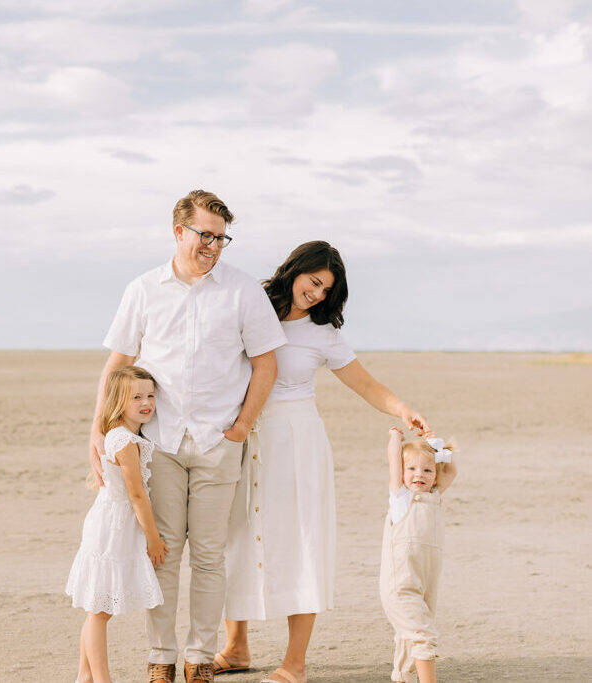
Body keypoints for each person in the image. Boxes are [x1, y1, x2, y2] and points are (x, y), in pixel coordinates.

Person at [88, 190, 286, 683]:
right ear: (179, 232)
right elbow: (116, 364)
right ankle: (161, 658)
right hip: (160, 445)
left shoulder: (242, 290)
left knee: (210, 555)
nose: (213, 246)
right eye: (205, 235)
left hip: (219, 443)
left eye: (222, 238)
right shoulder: (143, 289)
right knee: (164, 552)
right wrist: (96, 430)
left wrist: (241, 428)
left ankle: (200, 659)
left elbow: (266, 363)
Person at [216, 241, 431, 683]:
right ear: (295, 270)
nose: (316, 294)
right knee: (235, 536)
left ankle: (295, 664)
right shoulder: (254, 306)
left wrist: (401, 408)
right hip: (241, 435)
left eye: (325, 290)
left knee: (301, 541)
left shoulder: (323, 333)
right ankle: (235, 647)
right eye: (313, 282)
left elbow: (366, 385)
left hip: (296, 441)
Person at [67, 366, 168, 683]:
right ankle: (101, 679)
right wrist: (153, 537)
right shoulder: (124, 440)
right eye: (136, 397)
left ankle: (84, 675)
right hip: (114, 527)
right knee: (100, 611)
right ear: (117, 401)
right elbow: (137, 494)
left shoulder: (120, 435)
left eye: (150, 395)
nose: (146, 402)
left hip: (111, 520)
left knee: (97, 608)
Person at [380, 428, 458, 683]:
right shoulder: (401, 498)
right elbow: (394, 459)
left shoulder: (434, 497)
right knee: (423, 635)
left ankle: (402, 676)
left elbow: (451, 471)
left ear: (435, 476)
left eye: (427, 470)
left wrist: (438, 449)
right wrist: (395, 439)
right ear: (402, 473)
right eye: (411, 469)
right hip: (400, 584)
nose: (419, 475)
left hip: (425, 585)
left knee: (408, 636)